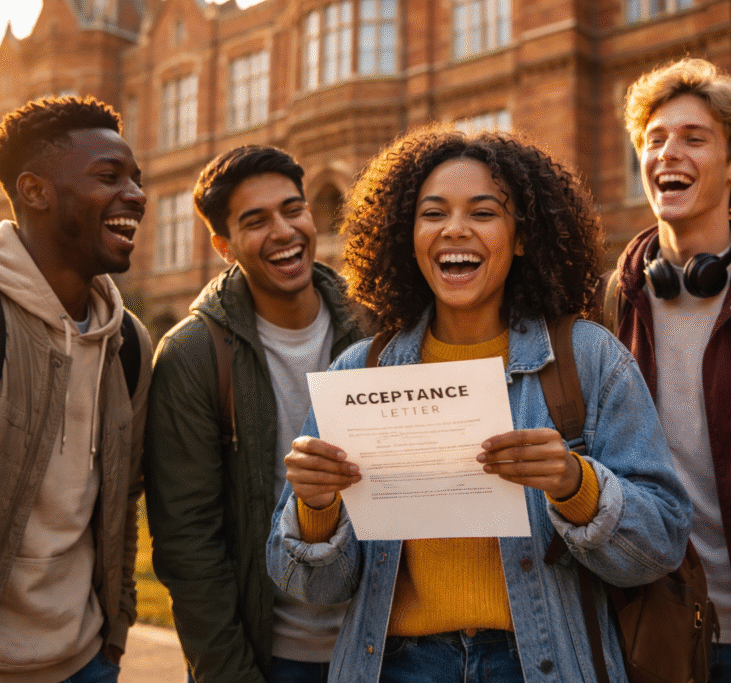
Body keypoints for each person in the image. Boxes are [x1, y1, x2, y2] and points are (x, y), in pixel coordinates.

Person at [265, 127, 692, 683]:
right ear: (407, 235)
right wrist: (315, 508)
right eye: (433, 213)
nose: (455, 230)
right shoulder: (358, 373)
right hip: (395, 667)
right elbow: (313, 588)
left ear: (520, 237)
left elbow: (661, 544)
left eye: (484, 213)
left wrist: (575, 484)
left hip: (542, 664)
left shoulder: (588, 359)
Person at [602, 57, 731, 680]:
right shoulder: (608, 302)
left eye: (695, 139)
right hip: (651, 632)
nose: (670, 153)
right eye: (655, 139)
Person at [143, 145, 364, 683]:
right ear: (224, 245)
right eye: (256, 221)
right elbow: (188, 544)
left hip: (385, 649)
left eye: (294, 209)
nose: (285, 231)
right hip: (273, 657)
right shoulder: (193, 354)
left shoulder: (376, 325)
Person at [0, 96, 151, 682]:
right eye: (108, 177)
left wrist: (113, 639)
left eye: (136, 179)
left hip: (85, 663)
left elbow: (124, 501)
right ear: (35, 191)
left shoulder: (130, 343)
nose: (136, 195)